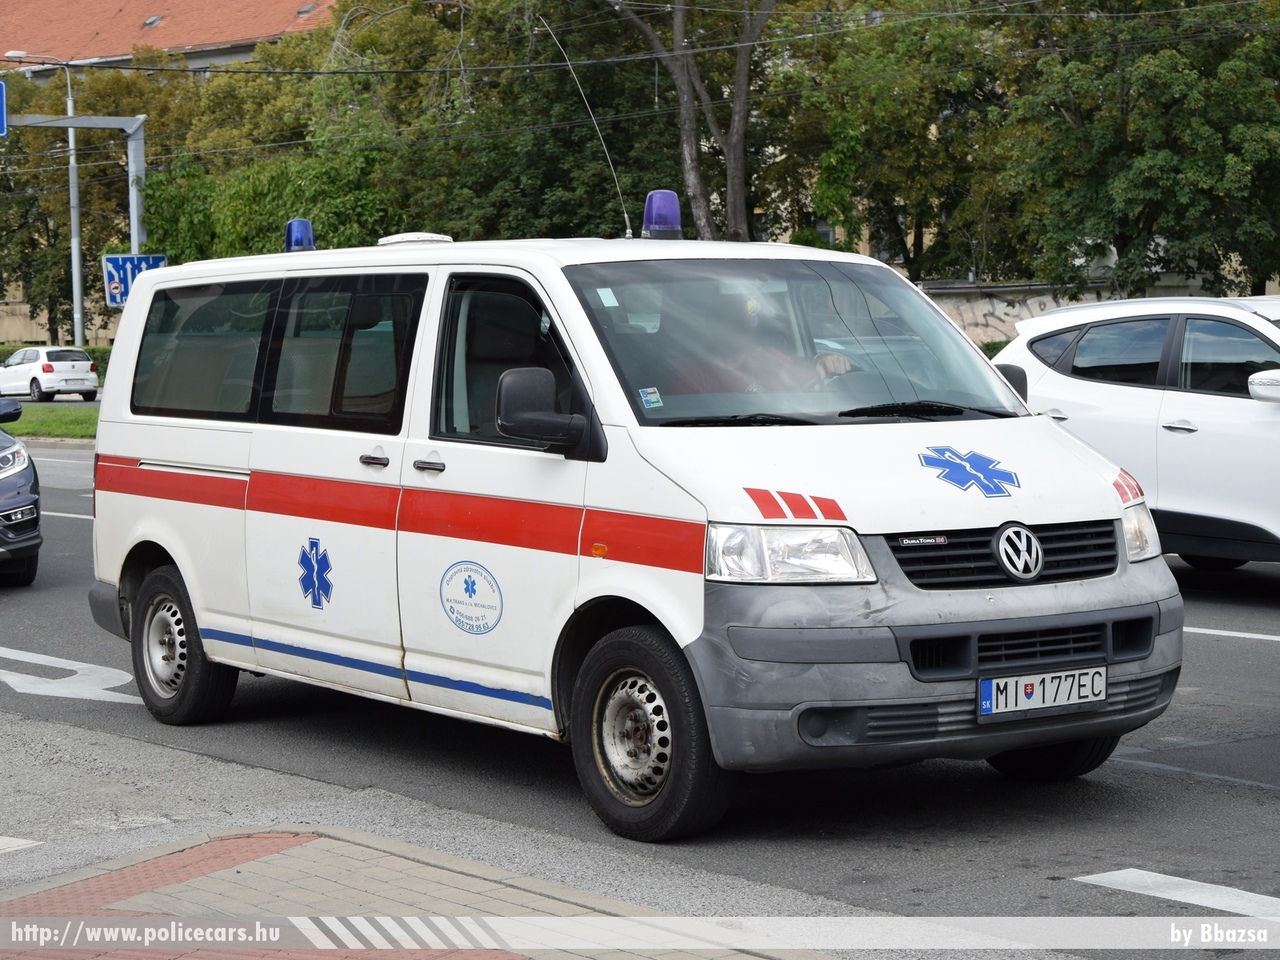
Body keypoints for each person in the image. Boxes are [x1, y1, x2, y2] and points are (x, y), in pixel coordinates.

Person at [669, 291, 852, 394]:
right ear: (714, 327)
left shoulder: (765, 355)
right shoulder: (693, 373)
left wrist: (820, 360)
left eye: (749, 321)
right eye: (735, 321)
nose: (746, 327)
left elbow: (796, 370)